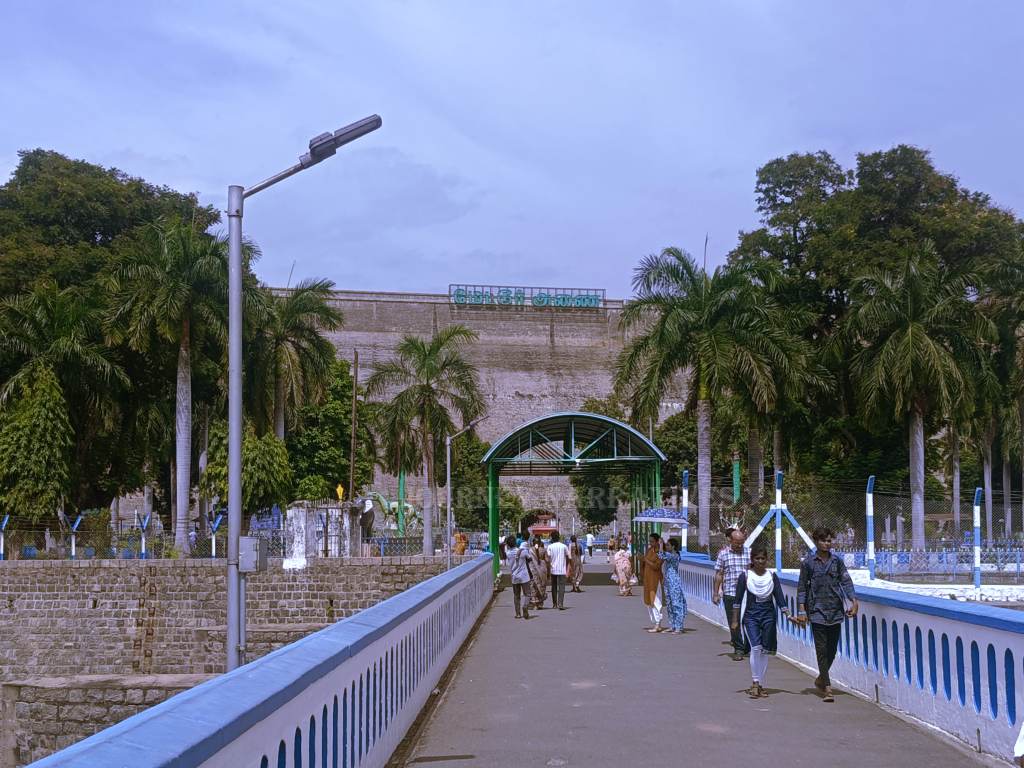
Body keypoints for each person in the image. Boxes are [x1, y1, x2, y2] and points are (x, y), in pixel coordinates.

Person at [796, 526, 859, 703]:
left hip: (835, 611)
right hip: (816, 611)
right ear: (817, 542)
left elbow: (846, 582)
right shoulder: (808, 563)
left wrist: (854, 601)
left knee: (831, 650)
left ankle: (820, 678)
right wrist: (802, 610)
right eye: (823, 540)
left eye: (829, 540)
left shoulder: (837, 562)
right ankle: (828, 687)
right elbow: (802, 587)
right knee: (821, 649)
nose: (827, 544)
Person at [731, 544, 796, 698]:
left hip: (768, 616)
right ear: (752, 560)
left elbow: (780, 599)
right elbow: (737, 600)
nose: (760, 561)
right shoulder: (745, 576)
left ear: (767, 560)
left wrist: (789, 616)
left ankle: (760, 683)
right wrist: (735, 620)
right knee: (755, 647)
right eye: (757, 558)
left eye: (763, 558)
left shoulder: (772, 577)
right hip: (751, 616)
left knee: (765, 650)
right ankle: (754, 682)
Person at [712, 528, 750, 660]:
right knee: (734, 621)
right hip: (730, 593)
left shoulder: (749, 552)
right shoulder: (723, 554)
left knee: (747, 620)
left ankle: (747, 646)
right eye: (737, 543)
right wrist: (716, 593)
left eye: (742, 542)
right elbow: (719, 574)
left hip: (747, 593)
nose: (740, 545)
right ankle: (739, 648)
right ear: (730, 540)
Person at [658, 536, 687, 634]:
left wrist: (661, 544)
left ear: (673, 547)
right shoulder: (670, 555)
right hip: (668, 581)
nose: (667, 547)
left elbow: (661, 556)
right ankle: (673, 625)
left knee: (676, 604)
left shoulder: (674, 556)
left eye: (668, 545)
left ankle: (678, 626)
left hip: (674, 582)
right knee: (669, 604)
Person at [508, 535, 535, 619]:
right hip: (524, 576)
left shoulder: (508, 553)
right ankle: (525, 606)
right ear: (516, 543)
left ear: (508, 545)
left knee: (516, 595)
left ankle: (518, 614)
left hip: (514, 576)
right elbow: (530, 559)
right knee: (527, 594)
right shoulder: (523, 551)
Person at [642, 532, 664, 632]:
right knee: (649, 601)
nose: (650, 543)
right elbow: (645, 562)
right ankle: (655, 622)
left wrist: (645, 560)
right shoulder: (649, 550)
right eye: (649, 541)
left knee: (656, 601)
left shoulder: (660, 552)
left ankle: (658, 624)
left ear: (657, 542)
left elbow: (656, 566)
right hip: (648, 579)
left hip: (655, 580)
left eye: (652, 541)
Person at [546, 531, 570, 610]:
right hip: (562, 570)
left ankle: (554, 604)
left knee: (554, 587)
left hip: (553, 570)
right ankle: (561, 603)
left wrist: (548, 571)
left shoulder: (550, 547)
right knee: (562, 587)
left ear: (552, 538)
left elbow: (548, 559)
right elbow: (569, 558)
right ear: (559, 537)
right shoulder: (564, 546)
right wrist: (568, 568)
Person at [530, 536, 548, 609]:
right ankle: (540, 604)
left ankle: (535, 603)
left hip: (533, 570)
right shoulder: (543, 550)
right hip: (543, 570)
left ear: (533, 543)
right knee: (542, 585)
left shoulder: (530, 550)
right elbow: (547, 560)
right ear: (540, 543)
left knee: (534, 586)